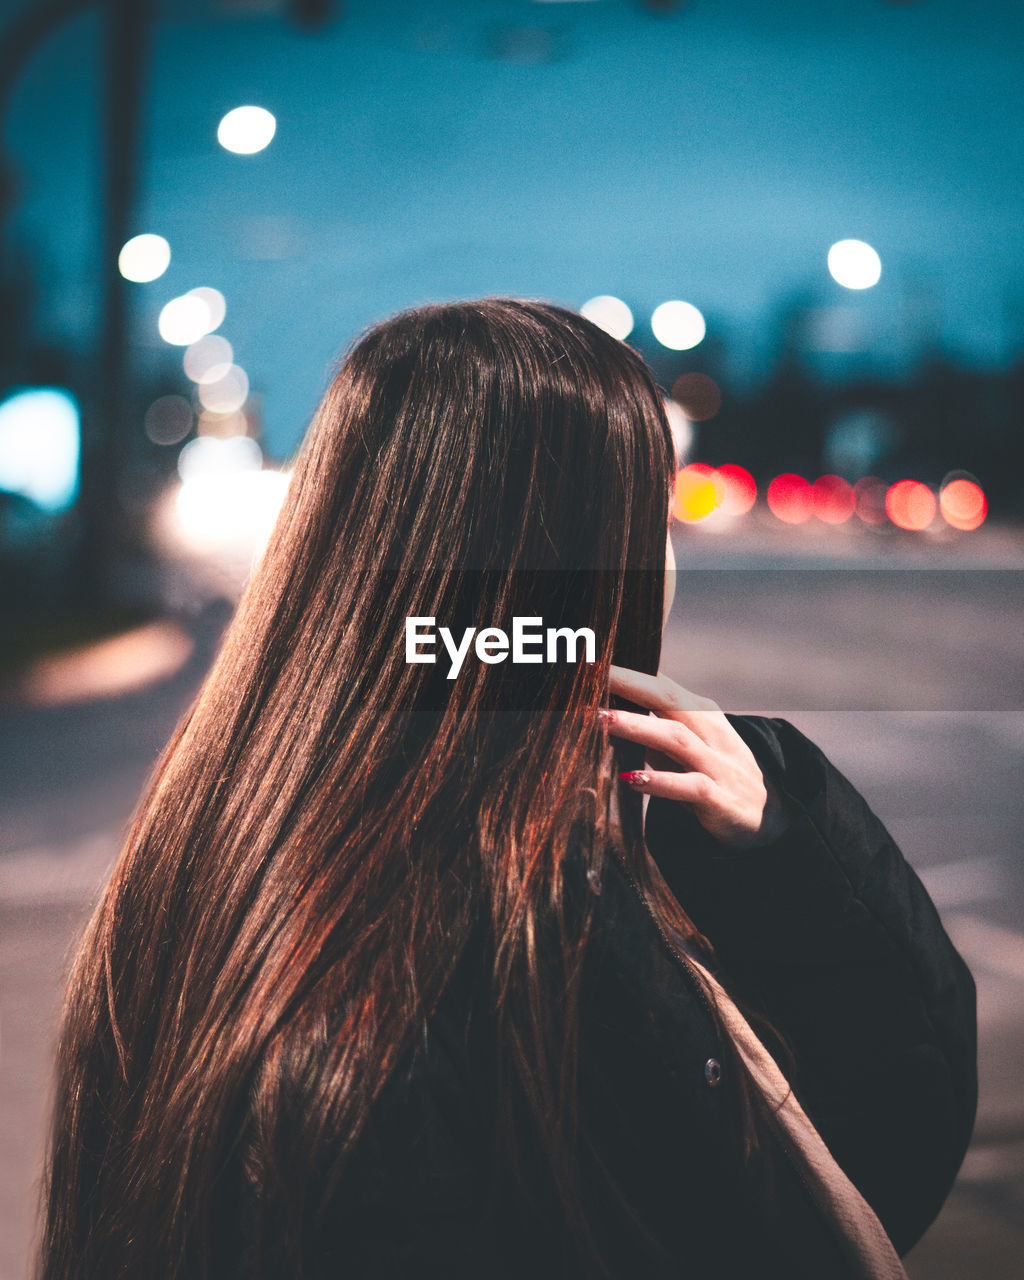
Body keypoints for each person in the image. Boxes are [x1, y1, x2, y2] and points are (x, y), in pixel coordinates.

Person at [38, 298, 977, 1279]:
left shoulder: (228, 821)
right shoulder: (512, 916)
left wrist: (790, 834)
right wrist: (797, 855)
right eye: (647, 522)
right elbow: (846, 1183)